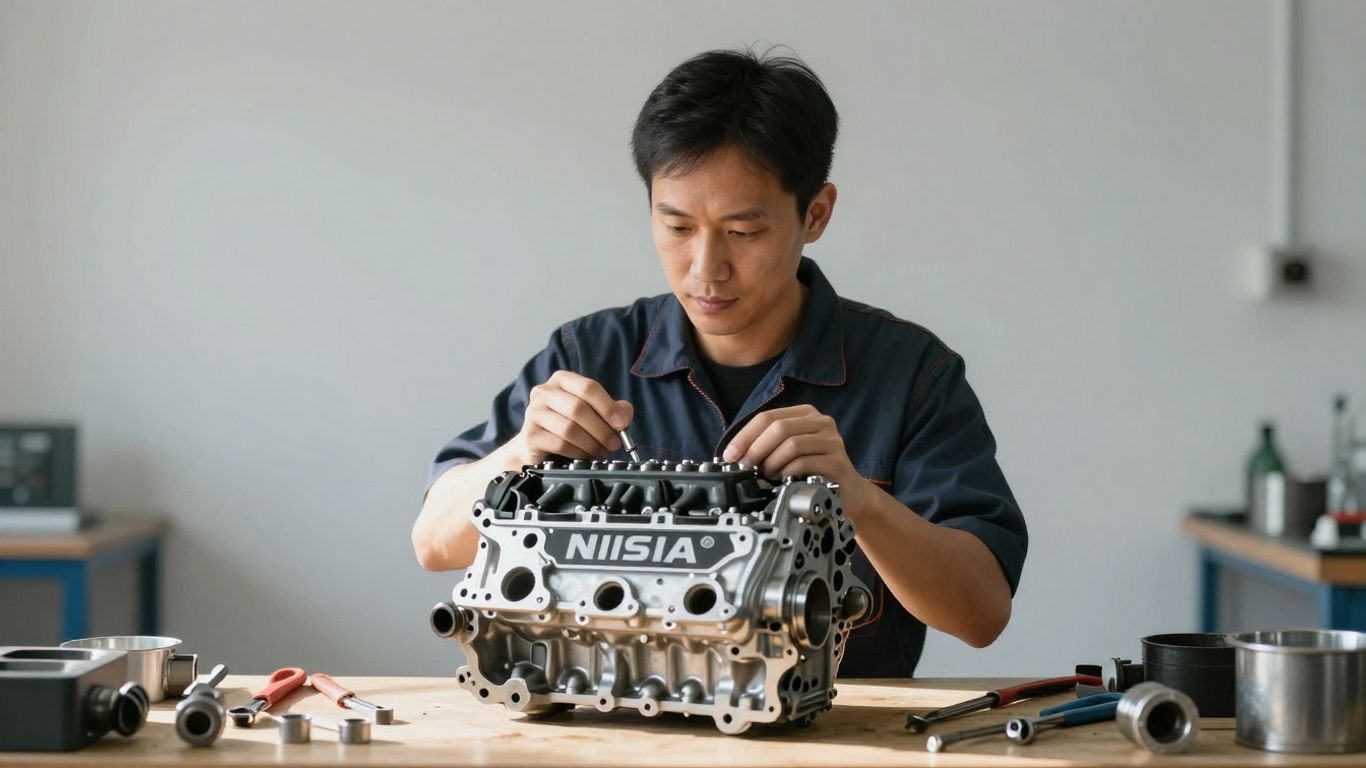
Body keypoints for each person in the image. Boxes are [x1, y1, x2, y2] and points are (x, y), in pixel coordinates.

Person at [413, 47, 1027, 677]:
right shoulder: (588, 355)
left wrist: (861, 503)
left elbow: (981, 615)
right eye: (676, 227)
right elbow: (433, 542)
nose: (705, 270)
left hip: (834, 735)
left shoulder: (911, 374)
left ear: (815, 213)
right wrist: (519, 454)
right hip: (619, 727)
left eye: (742, 232)